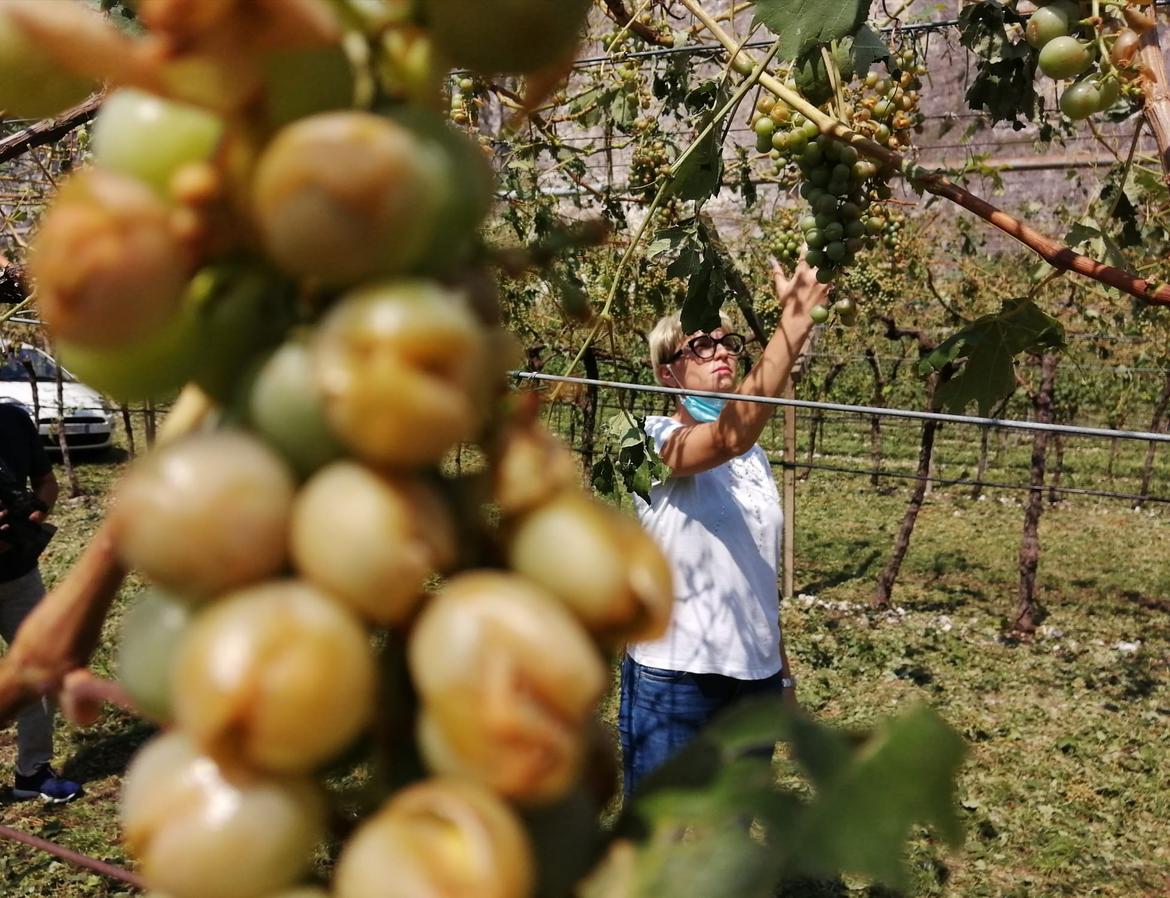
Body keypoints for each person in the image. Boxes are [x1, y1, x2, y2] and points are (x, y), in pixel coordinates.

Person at [618, 258, 826, 797]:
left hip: (753, 683)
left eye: (728, 342)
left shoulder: (753, 459)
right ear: (668, 372)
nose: (723, 353)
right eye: (702, 345)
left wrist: (779, 674)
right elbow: (728, 437)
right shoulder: (647, 438)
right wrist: (794, 324)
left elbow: (756, 573)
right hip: (677, 676)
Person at [0, 401, 81, 803]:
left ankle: (32, 772)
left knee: (40, 669)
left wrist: (35, 510)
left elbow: (46, 481)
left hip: (18, 575)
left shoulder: (13, 419)